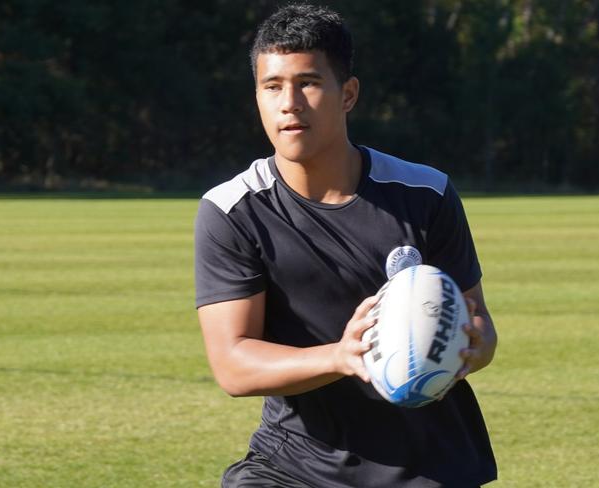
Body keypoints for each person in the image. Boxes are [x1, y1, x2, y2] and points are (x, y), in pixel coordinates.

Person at [195, 4, 498, 487]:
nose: (288, 103)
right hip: (292, 467)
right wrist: (342, 355)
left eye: (308, 83)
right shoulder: (232, 210)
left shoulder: (425, 194)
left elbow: (478, 324)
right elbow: (233, 364)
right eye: (272, 86)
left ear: (348, 94)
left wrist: (471, 345)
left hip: (428, 467)